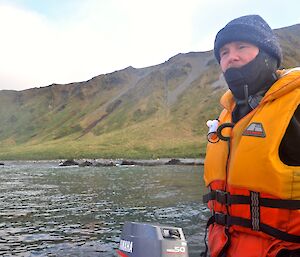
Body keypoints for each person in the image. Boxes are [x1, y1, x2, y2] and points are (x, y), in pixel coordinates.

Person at [202, 15, 300, 257]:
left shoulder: (296, 105)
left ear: (268, 54)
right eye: (223, 52)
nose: (231, 57)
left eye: (241, 47)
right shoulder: (226, 117)